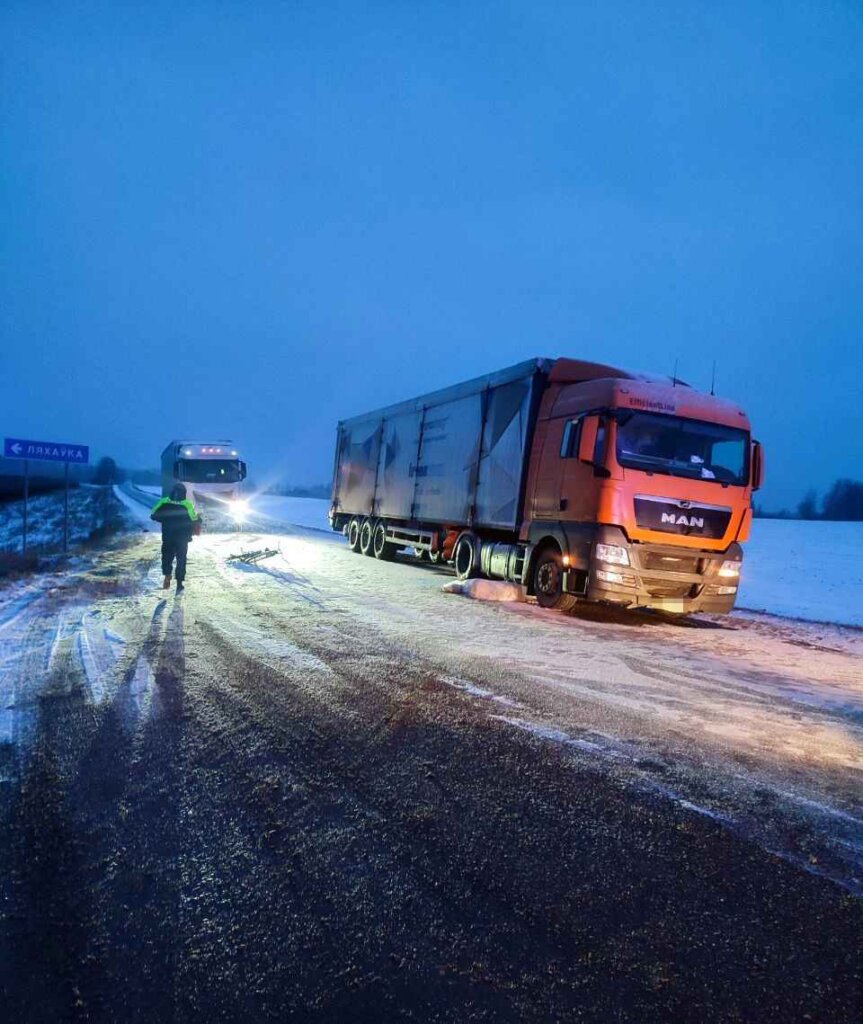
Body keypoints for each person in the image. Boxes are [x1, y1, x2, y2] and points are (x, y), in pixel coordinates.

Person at [150, 484, 201, 592]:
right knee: (181, 559)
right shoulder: (187, 504)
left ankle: (167, 575)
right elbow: (194, 518)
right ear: (184, 493)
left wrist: (164, 519)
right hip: (182, 538)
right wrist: (198, 519)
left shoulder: (164, 502)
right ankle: (179, 583)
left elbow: (153, 514)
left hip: (168, 536)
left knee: (167, 557)